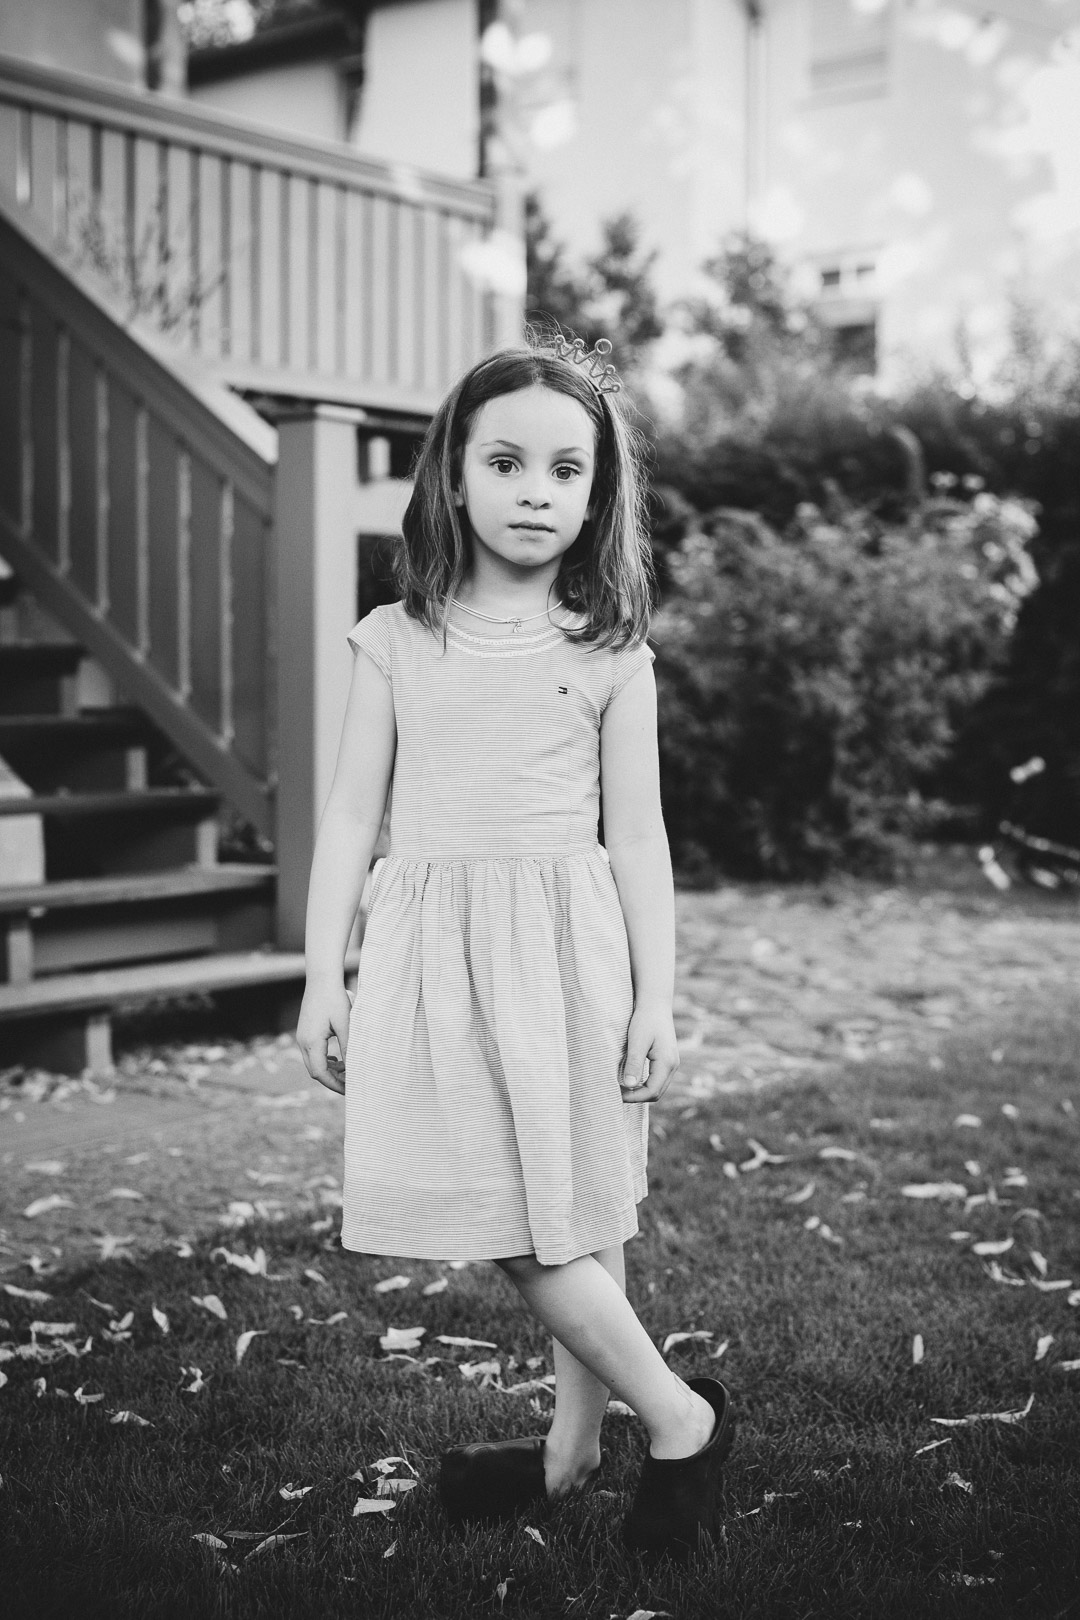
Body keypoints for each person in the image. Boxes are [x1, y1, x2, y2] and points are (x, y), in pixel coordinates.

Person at [295, 332, 734, 1558]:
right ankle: (617, 1437)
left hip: (569, 959)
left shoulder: (609, 653)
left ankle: (647, 1430)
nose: (536, 491)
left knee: (572, 1208)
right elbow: (350, 816)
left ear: (597, 495)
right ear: (454, 474)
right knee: (497, 1200)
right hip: (437, 964)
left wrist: (657, 997)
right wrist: (323, 971)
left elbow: (638, 836)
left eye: (565, 469)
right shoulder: (396, 640)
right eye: (506, 462)